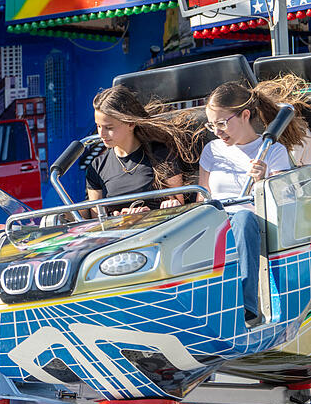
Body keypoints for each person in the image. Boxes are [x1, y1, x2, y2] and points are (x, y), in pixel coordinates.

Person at [198, 80, 307, 324]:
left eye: (222, 123)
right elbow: (202, 197)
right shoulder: (211, 151)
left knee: (244, 218)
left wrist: (263, 180)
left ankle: (245, 305)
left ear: (245, 115)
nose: (217, 131)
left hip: (254, 221)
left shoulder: (273, 151)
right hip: (217, 222)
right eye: (212, 125)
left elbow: (283, 201)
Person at [86, 85, 188, 215]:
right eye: (98, 126)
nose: (101, 134)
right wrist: (118, 218)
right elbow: (97, 219)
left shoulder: (161, 153)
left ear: (131, 123)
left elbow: (179, 206)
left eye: (109, 128)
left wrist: (150, 213)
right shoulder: (97, 167)